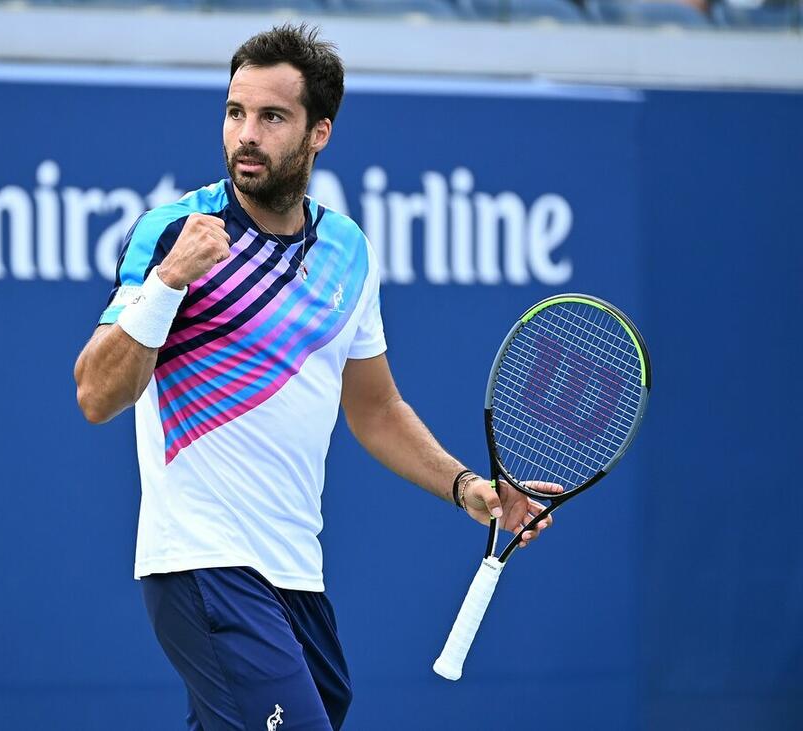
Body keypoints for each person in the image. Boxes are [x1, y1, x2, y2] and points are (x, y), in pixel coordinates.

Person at [73, 23, 555, 731]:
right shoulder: (174, 231)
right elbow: (95, 392)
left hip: (296, 573)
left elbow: (376, 408)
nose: (247, 134)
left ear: (318, 132)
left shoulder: (348, 251)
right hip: (203, 560)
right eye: (236, 112)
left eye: (272, 117)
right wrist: (170, 280)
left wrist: (469, 489)